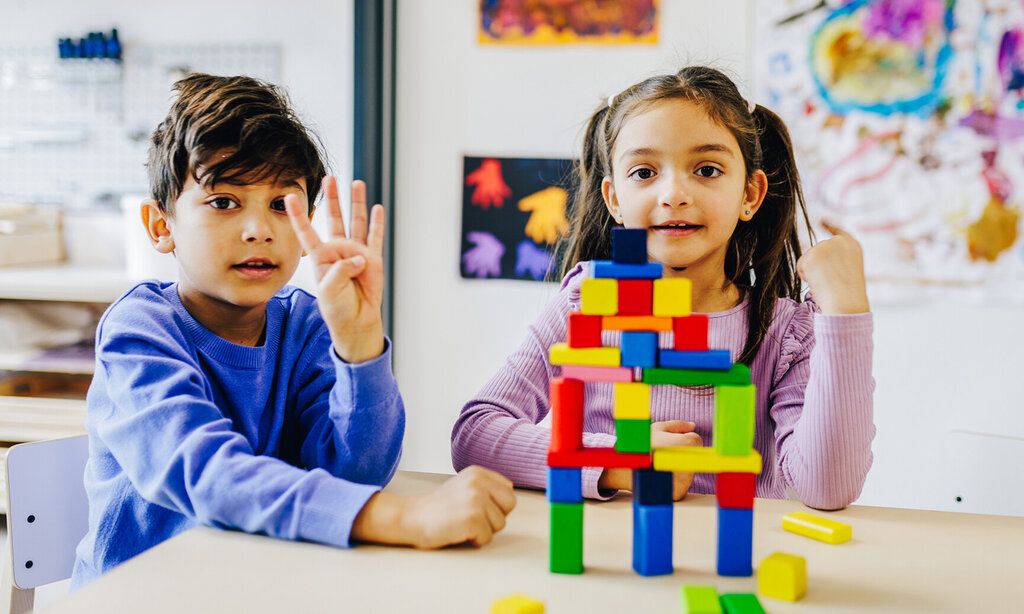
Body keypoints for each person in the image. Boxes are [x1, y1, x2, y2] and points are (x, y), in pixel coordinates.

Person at [73, 74, 514, 587]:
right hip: (142, 596)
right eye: (224, 202)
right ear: (161, 226)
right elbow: (211, 477)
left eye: (283, 205)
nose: (259, 228)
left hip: (266, 582)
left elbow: (357, 474)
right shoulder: (141, 330)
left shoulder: (304, 322)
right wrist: (405, 517)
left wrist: (359, 344)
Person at [452, 66, 875, 510]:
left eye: (707, 169)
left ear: (750, 194)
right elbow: (475, 434)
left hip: (728, 567)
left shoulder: (785, 332)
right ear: (614, 200)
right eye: (644, 172)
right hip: (607, 559)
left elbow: (828, 487)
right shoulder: (585, 305)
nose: (674, 193)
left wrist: (845, 312)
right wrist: (619, 460)